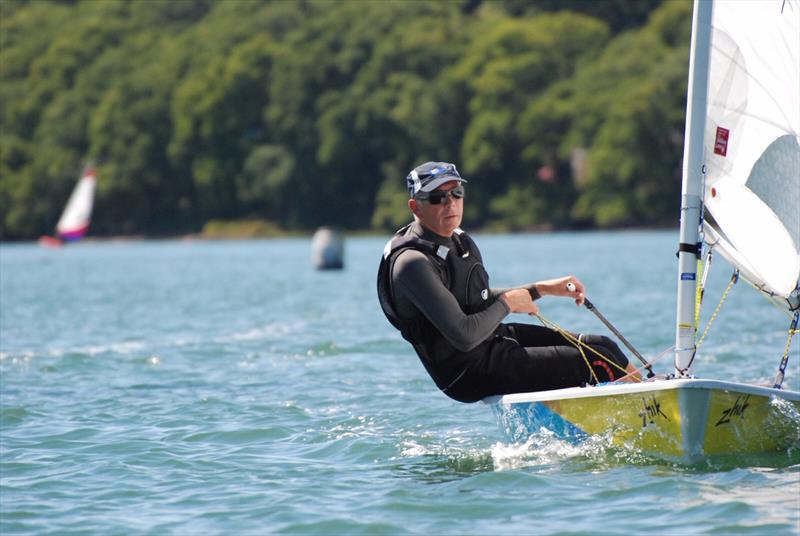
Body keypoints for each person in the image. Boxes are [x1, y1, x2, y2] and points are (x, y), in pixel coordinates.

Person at [377, 161, 641, 403]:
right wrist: (507, 303)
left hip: (492, 342)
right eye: (437, 197)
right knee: (596, 360)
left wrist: (540, 289)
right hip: (469, 372)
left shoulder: (456, 240)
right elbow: (464, 335)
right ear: (415, 207)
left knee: (603, 345)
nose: (451, 203)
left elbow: (474, 299)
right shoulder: (411, 263)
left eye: (456, 193)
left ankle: (650, 396)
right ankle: (649, 413)